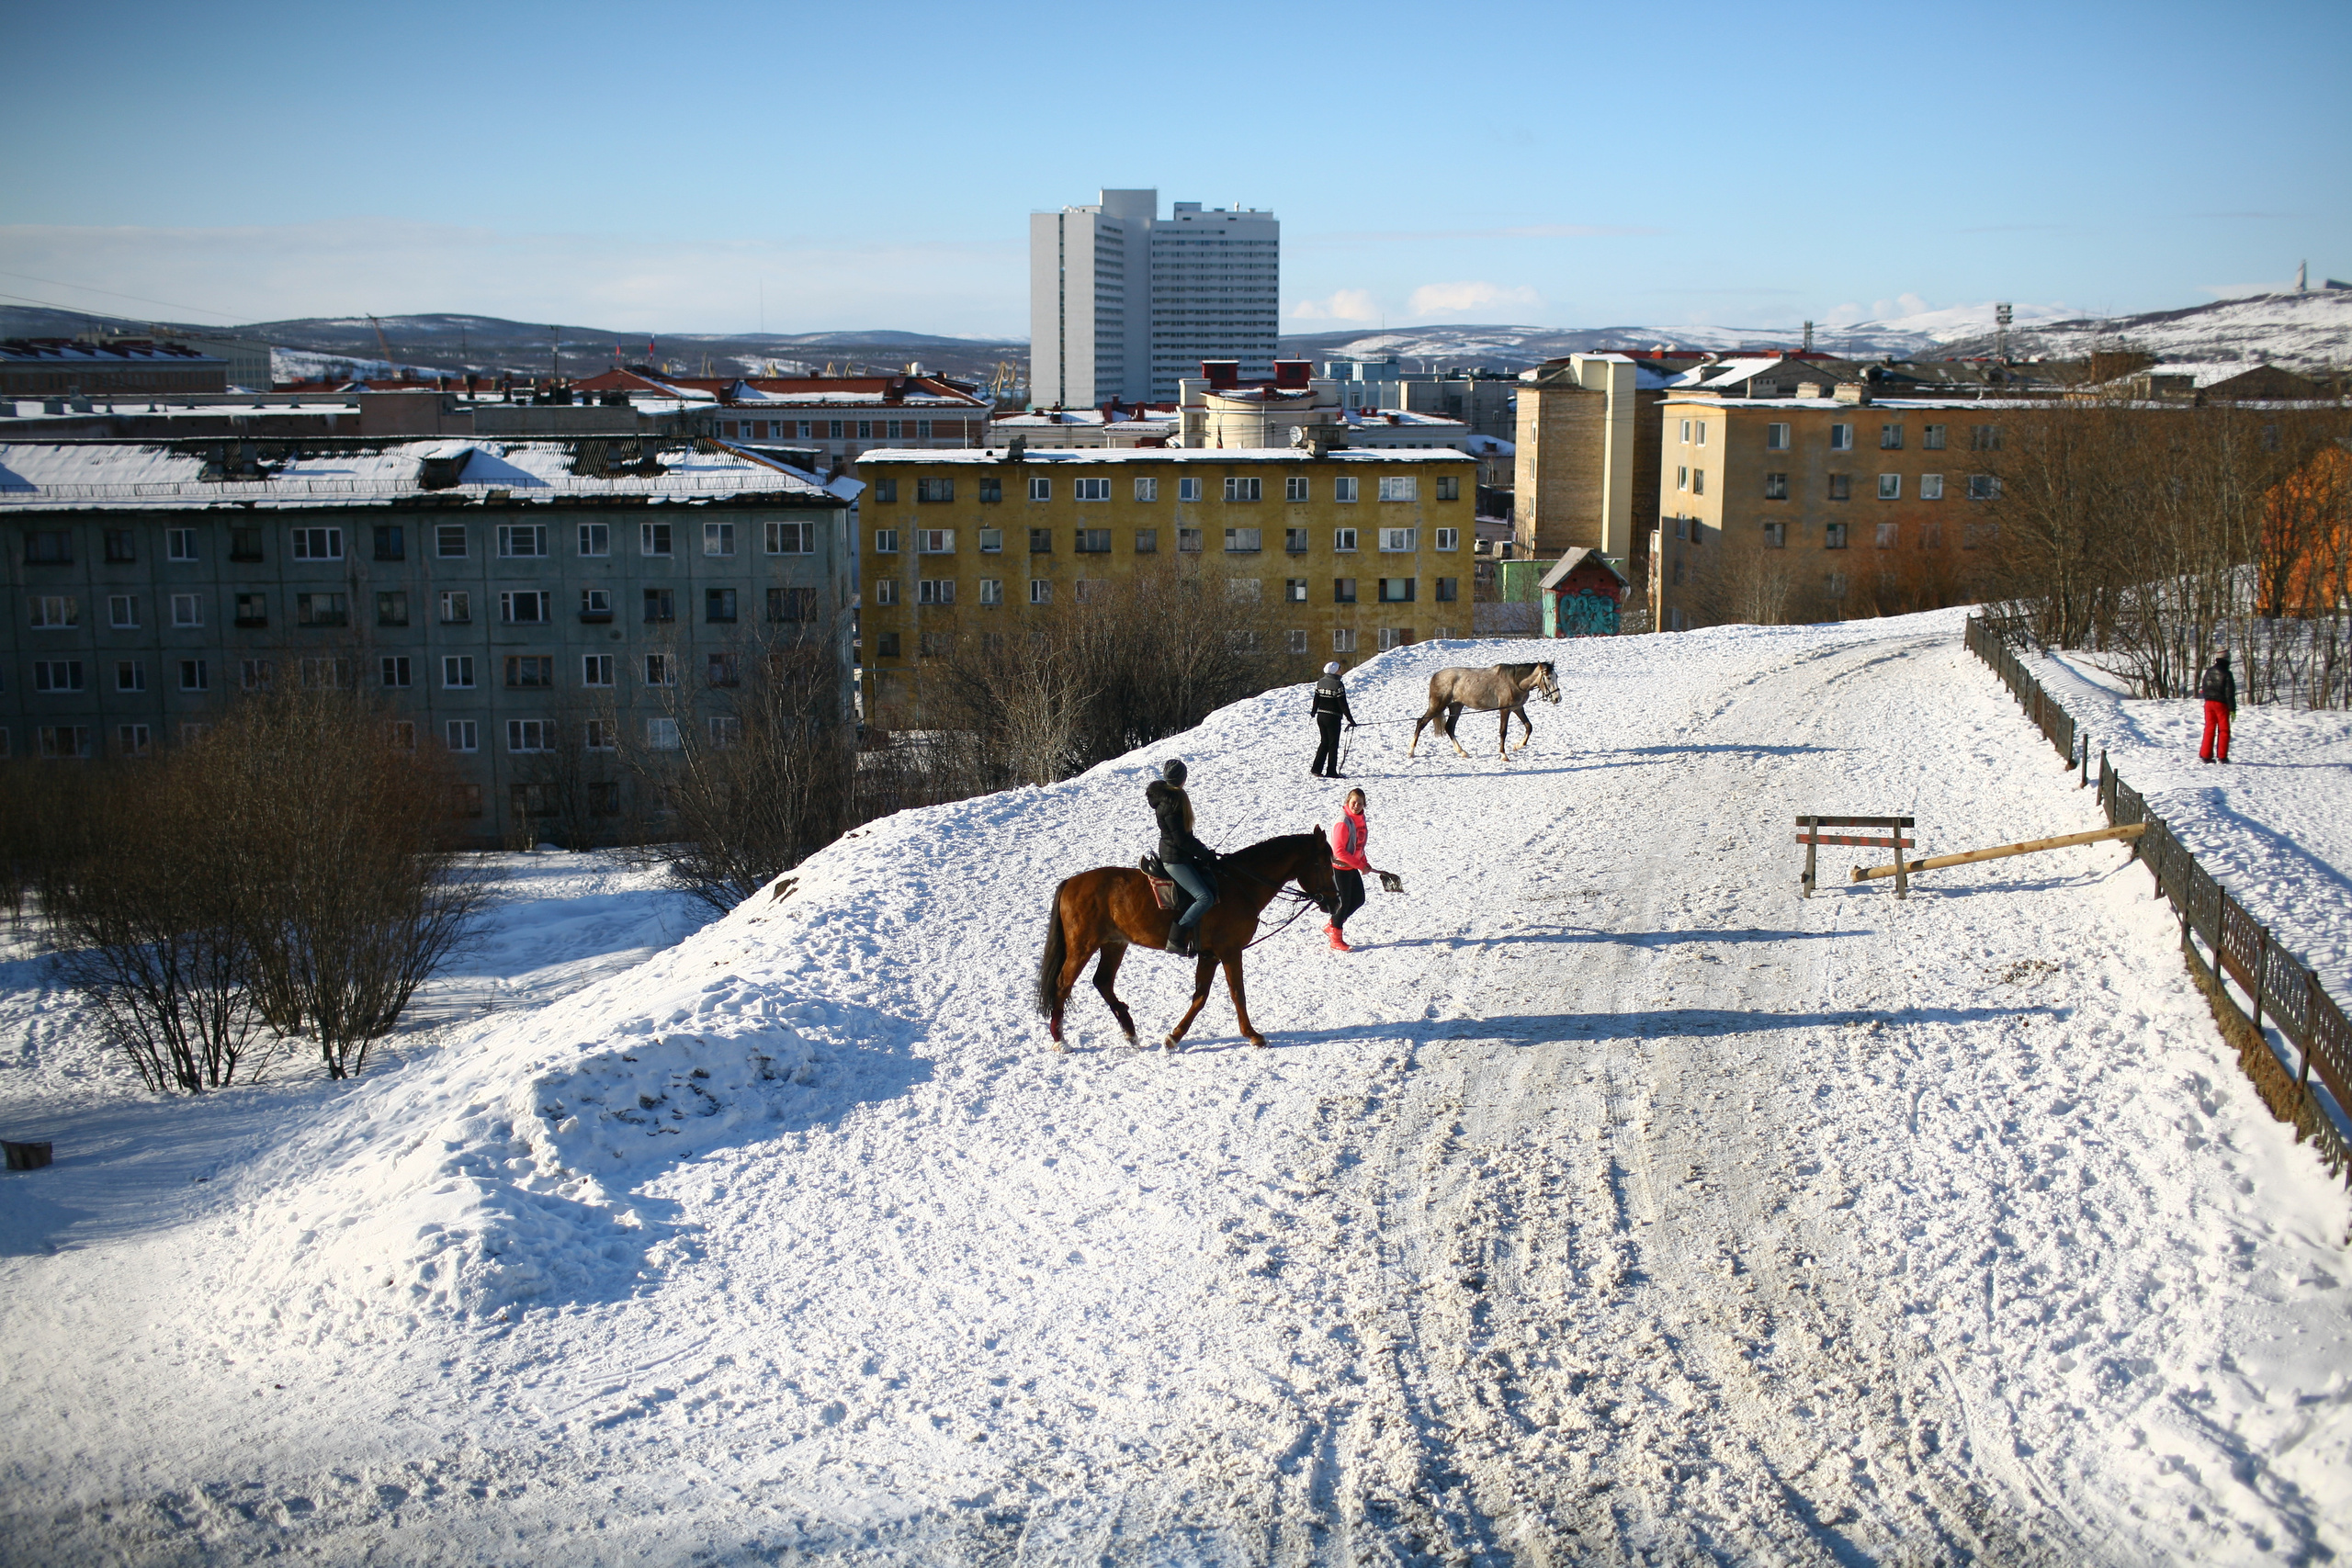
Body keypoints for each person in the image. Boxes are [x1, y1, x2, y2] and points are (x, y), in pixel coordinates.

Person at [1146, 758, 1218, 955]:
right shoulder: (1172, 803)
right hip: (1175, 859)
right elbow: (1181, 840)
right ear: (1183, 779)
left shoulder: (1171, 798)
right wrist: (1204, 854)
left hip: (1180, 855)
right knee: (1205, 898)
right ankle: (1176, 939)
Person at [1326, 787, 1371, 952]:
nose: (1356, 805)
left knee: (1358, 899)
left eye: (1360, 803)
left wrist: (1364, 861)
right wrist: (1360, 865)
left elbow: (1358, 844)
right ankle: (1335, 938)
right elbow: (1339, 851)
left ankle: (1332, 925)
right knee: (1343, 904)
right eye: (1354, 802)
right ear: (1347, 802)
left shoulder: (1359, 818)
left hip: (1352, 866)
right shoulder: (1343, 821)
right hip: (1340, 867)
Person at [1309, 660, 1359, 778]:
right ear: (1335, 671)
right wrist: (1351, 720)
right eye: (1340, 669)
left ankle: (1316, 768)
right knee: (1333, 744)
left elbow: (1316, 699)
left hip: (1321, 717)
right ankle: (1331, 771)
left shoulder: (1320, 682)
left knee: (1324, 742)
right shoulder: (1338, 684)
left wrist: (1314, 711)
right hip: (1333, 718)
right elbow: (1343, 704)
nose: (1341, 671)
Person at [2199, 649, 2236, 764]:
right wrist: (2232, 709)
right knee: (2224, 730)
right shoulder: (2226, 673)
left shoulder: (2209, 671)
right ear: (2227, 659)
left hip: (2208, 703)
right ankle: (2222, 756)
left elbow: (2204, 686)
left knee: (2209, 729)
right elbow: (2229, 693)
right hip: (2221, 704)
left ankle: (2206, 755)